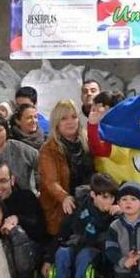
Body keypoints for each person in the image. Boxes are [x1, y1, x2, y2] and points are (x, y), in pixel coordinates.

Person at [46, 173, 119, 278]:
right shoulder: (79, 209)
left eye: (112, 197)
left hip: (99, 254)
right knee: (62, 252)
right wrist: (48, 260)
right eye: (105, 197)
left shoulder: (115, 215)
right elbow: (62, 233)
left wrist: (120, 215)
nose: (110, 201)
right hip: (76, 245)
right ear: (93, 195)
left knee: (85, 254)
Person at [38, 100, 94, 236]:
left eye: (74, 117)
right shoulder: (48, 149)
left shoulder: (88, 141)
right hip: (63, 207)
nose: (70, 122)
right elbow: (50, 182)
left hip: (89, 201)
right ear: (56, 123)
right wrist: (64, 197)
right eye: (64, 118)